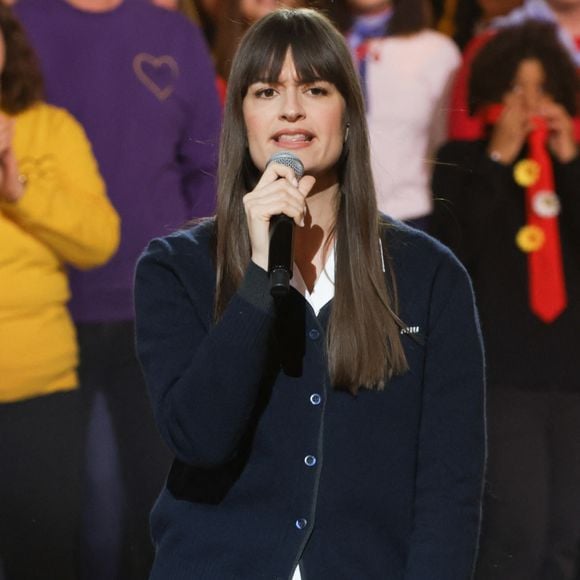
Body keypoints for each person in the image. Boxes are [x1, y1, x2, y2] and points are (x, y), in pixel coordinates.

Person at [134, 8, 486, 579]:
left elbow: (450, 488)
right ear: (242, 118)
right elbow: (199, 437)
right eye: (266, 90)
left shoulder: (429, 276)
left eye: (315, 89)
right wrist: (256, 279)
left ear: (348, 115)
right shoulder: (175, 270)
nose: (291, 109)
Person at [13, 0, 222, 578]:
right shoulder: (21, 25)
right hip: (44, 316)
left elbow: (209, 160)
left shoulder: (172, 35)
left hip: (156, 308)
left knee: (160, 500)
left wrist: (186, 269)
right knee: (65, 518)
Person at [430, 21, 580, 580]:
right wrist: (498, 159)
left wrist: (571, 164)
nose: (530, 103)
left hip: (570, 379)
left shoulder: (570, 166)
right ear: (494, 91)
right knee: (519, 531)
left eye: (542, 90)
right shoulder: (464, 159)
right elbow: (455, 248)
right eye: (517, 88)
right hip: (504, 379)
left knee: (567, 537)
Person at [0, 4, 120, 579]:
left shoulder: (51, 128)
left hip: (39, 386)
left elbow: (99, 240)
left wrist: (18, 190)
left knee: (43, 558)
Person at [329, 0, 460, 229]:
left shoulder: (437, 51)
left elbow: (449, 145)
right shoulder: (319, 47)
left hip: (412, 216)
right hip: (330, 216)